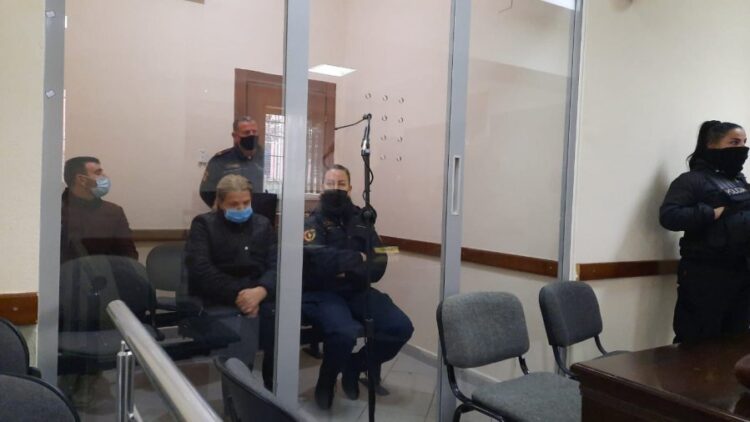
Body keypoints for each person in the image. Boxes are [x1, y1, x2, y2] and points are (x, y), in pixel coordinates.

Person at [302, 164, 414, 409]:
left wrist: (347, 268)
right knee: (343, 332)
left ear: (350, 187)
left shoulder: (363, 218)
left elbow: (381, 259)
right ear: (322, 187)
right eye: (331, 183)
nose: (336, 188)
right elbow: (318, 261)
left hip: (357, 289)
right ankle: (326, 381)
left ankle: (354, 366)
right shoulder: (312, 220)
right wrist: (358, 259)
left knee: (400, 327)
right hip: (325, 293)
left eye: (341, 184)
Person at [660, 120, 750, 344]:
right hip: (705, 275)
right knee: (697, 343)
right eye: (734, 142)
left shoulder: (739, 181)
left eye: (744, 142)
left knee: (735, 342)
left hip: (740, 273)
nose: (742, 149)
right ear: (712, 145)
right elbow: (669, 216)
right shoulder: (692, 180)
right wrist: (711, 212)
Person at [186, 174, 277, 363]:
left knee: (277, 342)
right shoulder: (203, 224)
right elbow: (202, 270)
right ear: (220, 203)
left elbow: (276, 264)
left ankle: (271, 379)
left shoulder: (263, 224)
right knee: (236, 356)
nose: (241, 208)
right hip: (220, 297)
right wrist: (245, 296)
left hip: (261, 297)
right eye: (234, 204)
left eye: (246, 203)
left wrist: (261, 291)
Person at [61, 156, 138, 263]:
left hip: (107, 272)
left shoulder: (113, 212)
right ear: (82, 180)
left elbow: (129, 256)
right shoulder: (56, 211)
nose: (105, 177)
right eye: (98, 173)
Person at [199, 116, 265, 208]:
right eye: (246, 132)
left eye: (254, 132)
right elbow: (206, 192)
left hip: (261, 213)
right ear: (235, 136)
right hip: (230, 213)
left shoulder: (266, 158)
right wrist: (223, 209)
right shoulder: (221, 160)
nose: (252, 135)